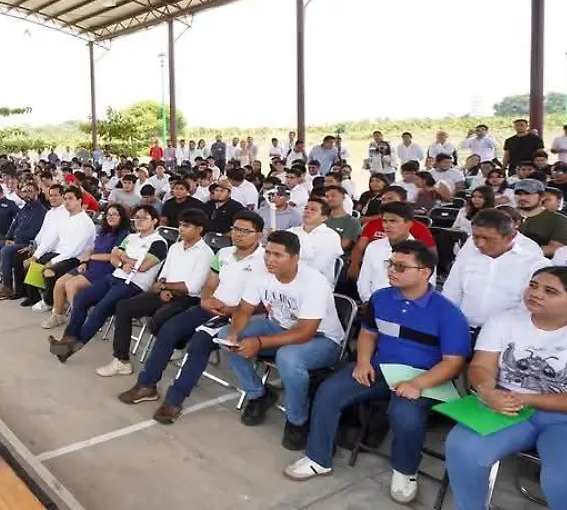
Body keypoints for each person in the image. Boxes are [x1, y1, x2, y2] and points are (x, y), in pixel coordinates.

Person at [284, 242, 470, 505]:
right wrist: (362, 362)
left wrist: (418, 383)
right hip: (380, 368)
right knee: (330, 391)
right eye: (390, 264)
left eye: (400, 266)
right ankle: (318, 458)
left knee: (405, 414)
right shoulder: (381, 298)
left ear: (425, 272)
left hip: (425, 377)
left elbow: (453, 363)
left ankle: (405, 471)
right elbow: (368, 334)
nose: (391, 270)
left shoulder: (448, 314)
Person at [445, 266, 567, 510]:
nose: (536, 293)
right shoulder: (503, 321)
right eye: (533, 285)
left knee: (566, 478)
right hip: (505, 406)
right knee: (463, 449)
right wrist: (488, 391)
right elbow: (481, 366)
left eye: (550, 291)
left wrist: (529, 399)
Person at [118, 211, 266, 423]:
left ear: (259, 235)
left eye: (246, 231)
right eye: (236, 229)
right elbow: (210, 284)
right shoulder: (224, 253)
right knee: (169, 329)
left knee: (199, 343)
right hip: (210, 307)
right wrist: (206, 300)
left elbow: (265, 301)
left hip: (239, 316)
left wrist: (233, 310)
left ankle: (174, 400)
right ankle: (146, 385)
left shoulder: (265, 260)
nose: (239, 234)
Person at [218, 230, 345, 449]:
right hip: (278, 327)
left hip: (322, 339)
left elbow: (305, 332)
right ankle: (258, 394)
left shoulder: (314, 282)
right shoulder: (260, 273)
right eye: (267, 253)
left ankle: (297, 420)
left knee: (288, 357)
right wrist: (234, 334)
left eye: (278, 255)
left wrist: (259, 343)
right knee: (225, 336)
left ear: (295, 258)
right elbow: (244, 309)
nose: (270, 259)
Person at [95, 209, 213, 377]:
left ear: (199, 229)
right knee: (123, 307)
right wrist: (163, 287)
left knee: (158, 319)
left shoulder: (206, 253)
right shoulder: (175, 247)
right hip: (165, 291)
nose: (181, 228)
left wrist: (165, 287)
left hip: (187, 298)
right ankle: (121, 360)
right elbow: (164, 274)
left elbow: (192, 287)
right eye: (180, 224)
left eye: (186, 226)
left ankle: (178, 343)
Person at [47, 205, 167, 362]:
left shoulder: (158, 243)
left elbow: (143, 266)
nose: (139, 220)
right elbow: (113, 258)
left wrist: (123, 256)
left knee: (100, 309)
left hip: (133, 284)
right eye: (136, 217)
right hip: (114, 276)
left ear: (155, 221)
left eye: (144, 217)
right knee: (81, 298)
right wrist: (122, 263)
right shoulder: (131, 237)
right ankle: (66, 340)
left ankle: (70, 349)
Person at [443, 209, 551, 331]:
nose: (480, 243)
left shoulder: (535, 264)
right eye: (475, 237)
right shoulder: (466, 259)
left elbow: (531, 307)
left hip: (509, 333)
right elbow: (450, 295)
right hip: (463, 329)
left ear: (511, 237)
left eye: (487, 238)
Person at [42, 204, 130, 329]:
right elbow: (91, 248)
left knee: (71, 285)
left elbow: (113, 257)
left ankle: (78, 321)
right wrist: (84, 261)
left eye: (115, 214)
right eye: (109, 214)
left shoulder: (124, 235)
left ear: (121, 217)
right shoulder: (104, 231)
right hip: (90, 264)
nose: (111, 217)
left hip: (105, 269)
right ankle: (57, 316)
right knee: (60, 283)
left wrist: (90, 257)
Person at [0, 182, 46, 298]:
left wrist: (15, 241)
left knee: (5, 250)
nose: (26, 194)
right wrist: (8, 238)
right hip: (15, 241)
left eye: (30, 191)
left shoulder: (40, 211)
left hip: (27, 244)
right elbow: (14, 224)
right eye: (24, 191)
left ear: (38, 192)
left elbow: (33, 232)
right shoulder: (24, 208)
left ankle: (7, 287)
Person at [512, 179, 567, 258]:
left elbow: (556, 247)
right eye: (518, 194)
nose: (522, 197)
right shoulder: (503, 215)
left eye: (528, 194)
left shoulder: (559, 220)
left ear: (542, 196)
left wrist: (519, 254)